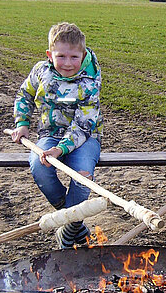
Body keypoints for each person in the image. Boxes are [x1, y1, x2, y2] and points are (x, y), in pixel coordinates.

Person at [10, 22, 103, 249]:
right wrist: (22, 122)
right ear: (49, 54)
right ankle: (72, 222)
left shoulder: (90, 82)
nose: (68, 63)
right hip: (49, 133)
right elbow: (25, 94)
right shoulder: (41, 71)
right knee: (39, 165)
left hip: (85, 137)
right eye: (61, 56)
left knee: (82, 177)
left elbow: (83, 124)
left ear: (83, 54)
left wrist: (61, 149)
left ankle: (67, 228)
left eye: (74, 57)